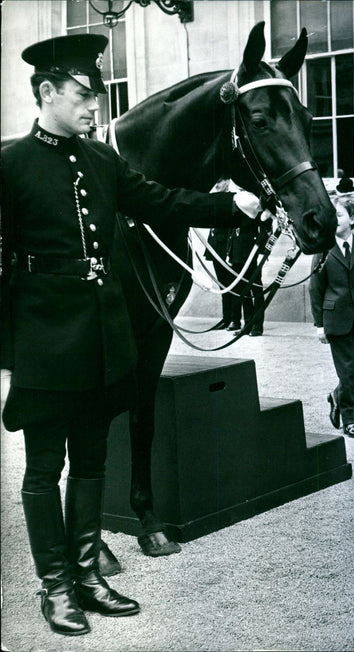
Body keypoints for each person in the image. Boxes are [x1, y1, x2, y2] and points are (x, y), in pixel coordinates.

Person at [0, 34, 264, 637]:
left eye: (96, 93)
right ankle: (57, 587)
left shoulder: (101, 160)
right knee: (44, 468)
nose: (96, 105)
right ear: (47, 92)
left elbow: (161, 201)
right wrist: (10, 346)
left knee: (92, 461)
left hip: (100, 340)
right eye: (83, 94)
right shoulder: (10, 166)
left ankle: (89, 575)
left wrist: (232, 209)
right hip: (44, 341)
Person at [308, 183, 354, 439]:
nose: (334, 220)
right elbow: (315, 288)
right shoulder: (323, 249)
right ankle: (351, 420)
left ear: (352, 218)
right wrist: (319, 325)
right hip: (335, 319)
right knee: (348, 371)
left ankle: (337, 396)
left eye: (338, 215)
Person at [204, 226, 235, 330]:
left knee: (230, 285)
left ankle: (233, 319)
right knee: (223, 286)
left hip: (225, 247)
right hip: (215, 245)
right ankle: (226, 318)